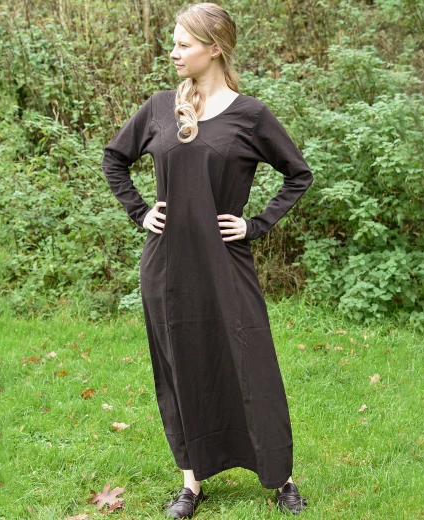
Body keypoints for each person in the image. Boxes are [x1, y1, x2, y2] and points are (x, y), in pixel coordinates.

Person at [101, 3, 314, 518]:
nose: (172, 52)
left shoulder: (250, 115)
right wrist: (140, 212)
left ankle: (280, 476)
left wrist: (255, 224)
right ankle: (191, 483)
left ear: (214, 48)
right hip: (168, 267)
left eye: (183, 44)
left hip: (226, 263)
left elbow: (297, 174)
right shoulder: (160, 109)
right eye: (173, 43)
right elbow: (114, 159)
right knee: (182, 367)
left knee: (252, 365)